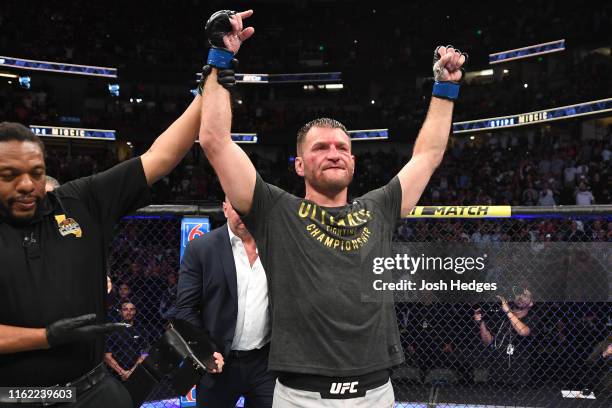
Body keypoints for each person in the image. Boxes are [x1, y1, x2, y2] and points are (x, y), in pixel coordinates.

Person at [198, 9, 466, 406]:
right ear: (300, 165)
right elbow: (215, 141)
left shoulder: (380, 206)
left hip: (375, 394)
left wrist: (444, 88)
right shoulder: (275, 211)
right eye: (320, 148)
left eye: (343, 147)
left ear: (354, 162)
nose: (334, 153)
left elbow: (427, 155)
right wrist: (220, 58)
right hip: (300, 397)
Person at [0, 89, 224, 407]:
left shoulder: (79, 202)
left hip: (92, 390)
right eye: (9, 175)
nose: (26, 184)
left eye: (36, 173)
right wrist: (46, 337)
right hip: (16, 397)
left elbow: (161, 157)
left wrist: (210, 84)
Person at [176, 196, 275, 407]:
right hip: (218, 362)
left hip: (265, 364)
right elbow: (185, 308)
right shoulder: (201, 248)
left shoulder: (276, 248)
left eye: (249, 208)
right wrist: (206, 351)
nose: (243, 214)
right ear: (225, 208)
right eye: (237, 207)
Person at [473, 289, 538, 385]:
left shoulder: (533, 317)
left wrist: (508, 311)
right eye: (519, 294)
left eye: (525, 295)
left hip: (520, 377)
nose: (521, 297)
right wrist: (481, 322)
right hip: (496, 375)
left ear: (531, 303)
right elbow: (488, 341)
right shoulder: (501, 316)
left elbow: (523, 331)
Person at [104, 302, 148, 382]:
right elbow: (107, 356)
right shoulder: (113, 329)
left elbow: (144, 353)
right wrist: (122, 372)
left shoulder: (141, 330)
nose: (129, 312)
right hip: (114, 374)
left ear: (135, 311)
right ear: (121, 312)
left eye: (131, 309)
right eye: (125, 309)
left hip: (135, 372)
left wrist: (131, 372)